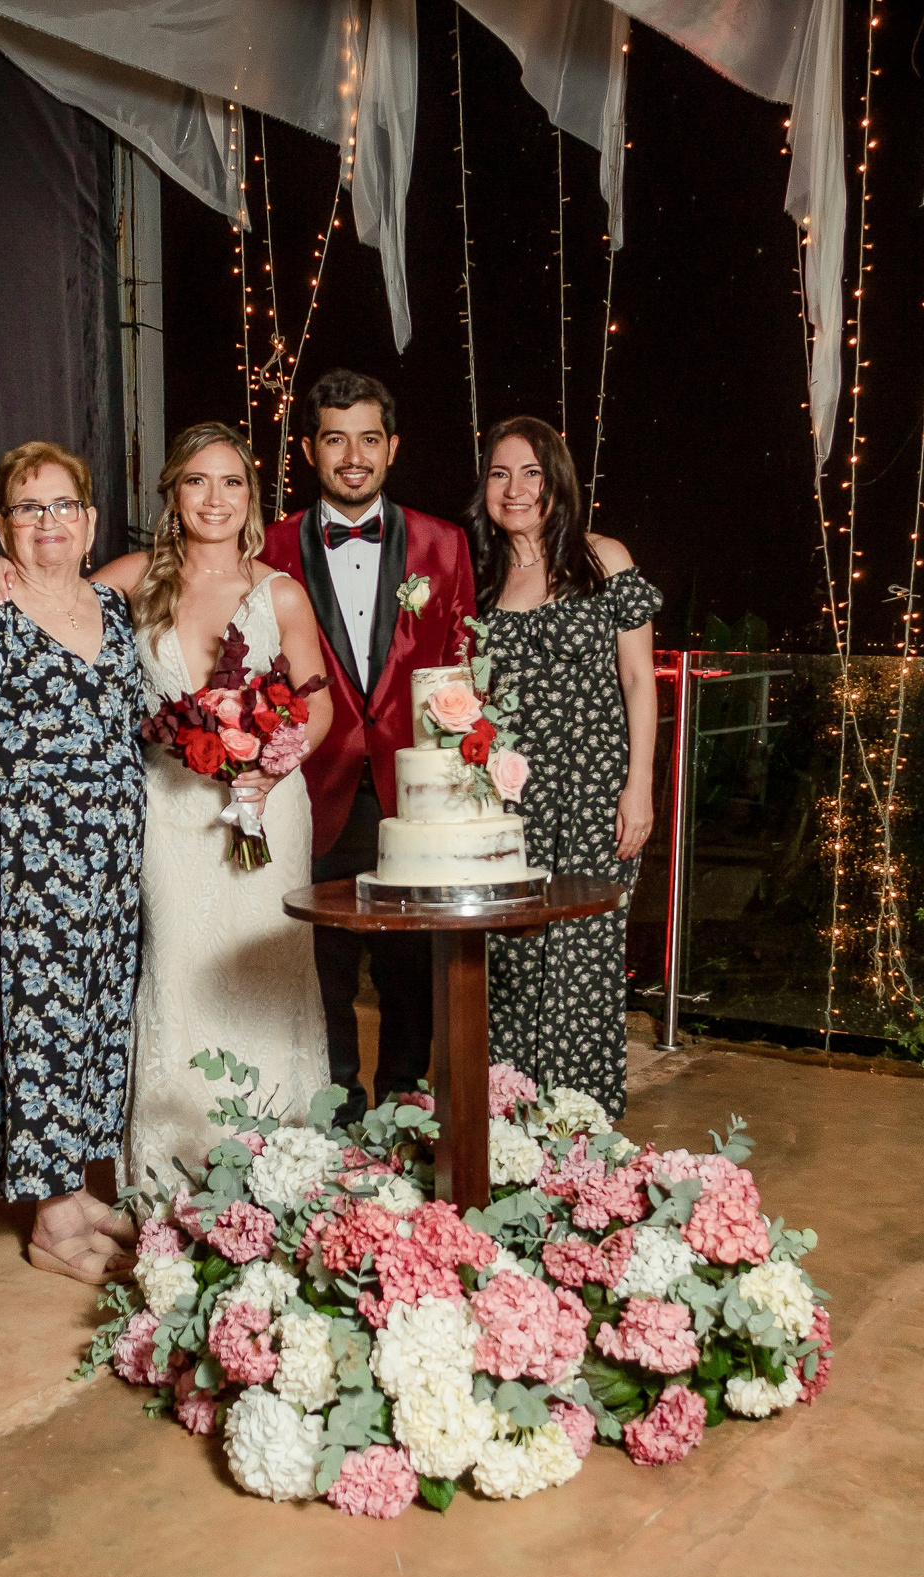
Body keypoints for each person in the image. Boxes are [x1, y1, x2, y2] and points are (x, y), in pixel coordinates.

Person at [0, 426, 335, 1196]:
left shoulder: (281, 593)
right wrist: (3, 563)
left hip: (265, 810)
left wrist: (270, 768)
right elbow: (50, 601)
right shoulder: (134, 576)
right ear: (172, 495)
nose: (214, 499)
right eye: (197, 482)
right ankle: (178, 1173)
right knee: (178, 970)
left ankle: (280, 1167)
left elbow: (319, 705)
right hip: (168, 815)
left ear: (250, 499)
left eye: (230, 483)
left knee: (270, 972)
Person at [0, 441, 147, 1285]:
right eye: (27, 508)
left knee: (92, 1022)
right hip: (24, 854)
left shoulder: (114, 610)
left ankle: (74, 1188)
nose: (47, 522)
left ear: (88, 520)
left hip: (111, 864)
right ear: (2, 525)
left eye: (62, 506)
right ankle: (50, 1222)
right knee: (37, 1028)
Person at [259, 369, 477, 1117]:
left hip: (410, 796)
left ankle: (403, 1116)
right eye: (335, 439)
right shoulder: (267, 545)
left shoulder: (445, 544)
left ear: (392, 448)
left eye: (369, 439)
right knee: (321, 966)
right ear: (310, 451)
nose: (353, 455)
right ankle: (337, 1115)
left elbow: (464, 670)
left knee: (411, 969)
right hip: (308, 790)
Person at [469, 417, 659, 1118]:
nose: (515, 489)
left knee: (582, 965)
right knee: (510, 970)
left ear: (558, 483)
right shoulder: (480, 577)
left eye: (532, 474)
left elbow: (641, 682)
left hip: (594, 795)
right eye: (499, 473)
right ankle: (511, 1130)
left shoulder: (602, 559)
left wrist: (638, 788)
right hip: (507, 802)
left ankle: (582, 1135)